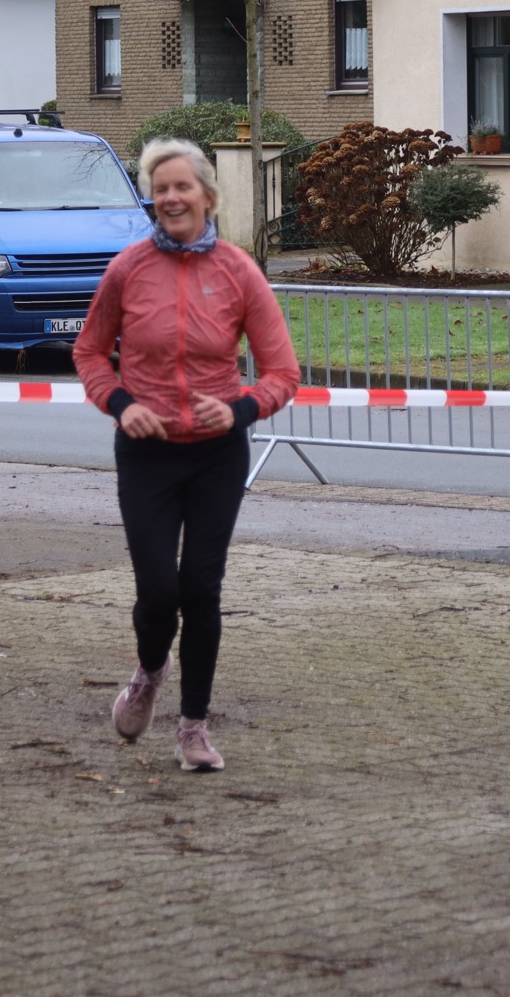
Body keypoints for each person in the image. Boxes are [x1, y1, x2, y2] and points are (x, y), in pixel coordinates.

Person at [74, 138, 299, 772]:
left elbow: (283, 372)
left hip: (215, 455)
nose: (171, 198)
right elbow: (90, 352)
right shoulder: (128, 269)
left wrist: (241, 410)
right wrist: (122, 404)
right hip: (146, 452)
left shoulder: (238, 271)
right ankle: (149, 672)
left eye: (182, 187)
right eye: (160, 189)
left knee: (200, 589)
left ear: (208, 196)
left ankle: (193, 729)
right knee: (157, 591)